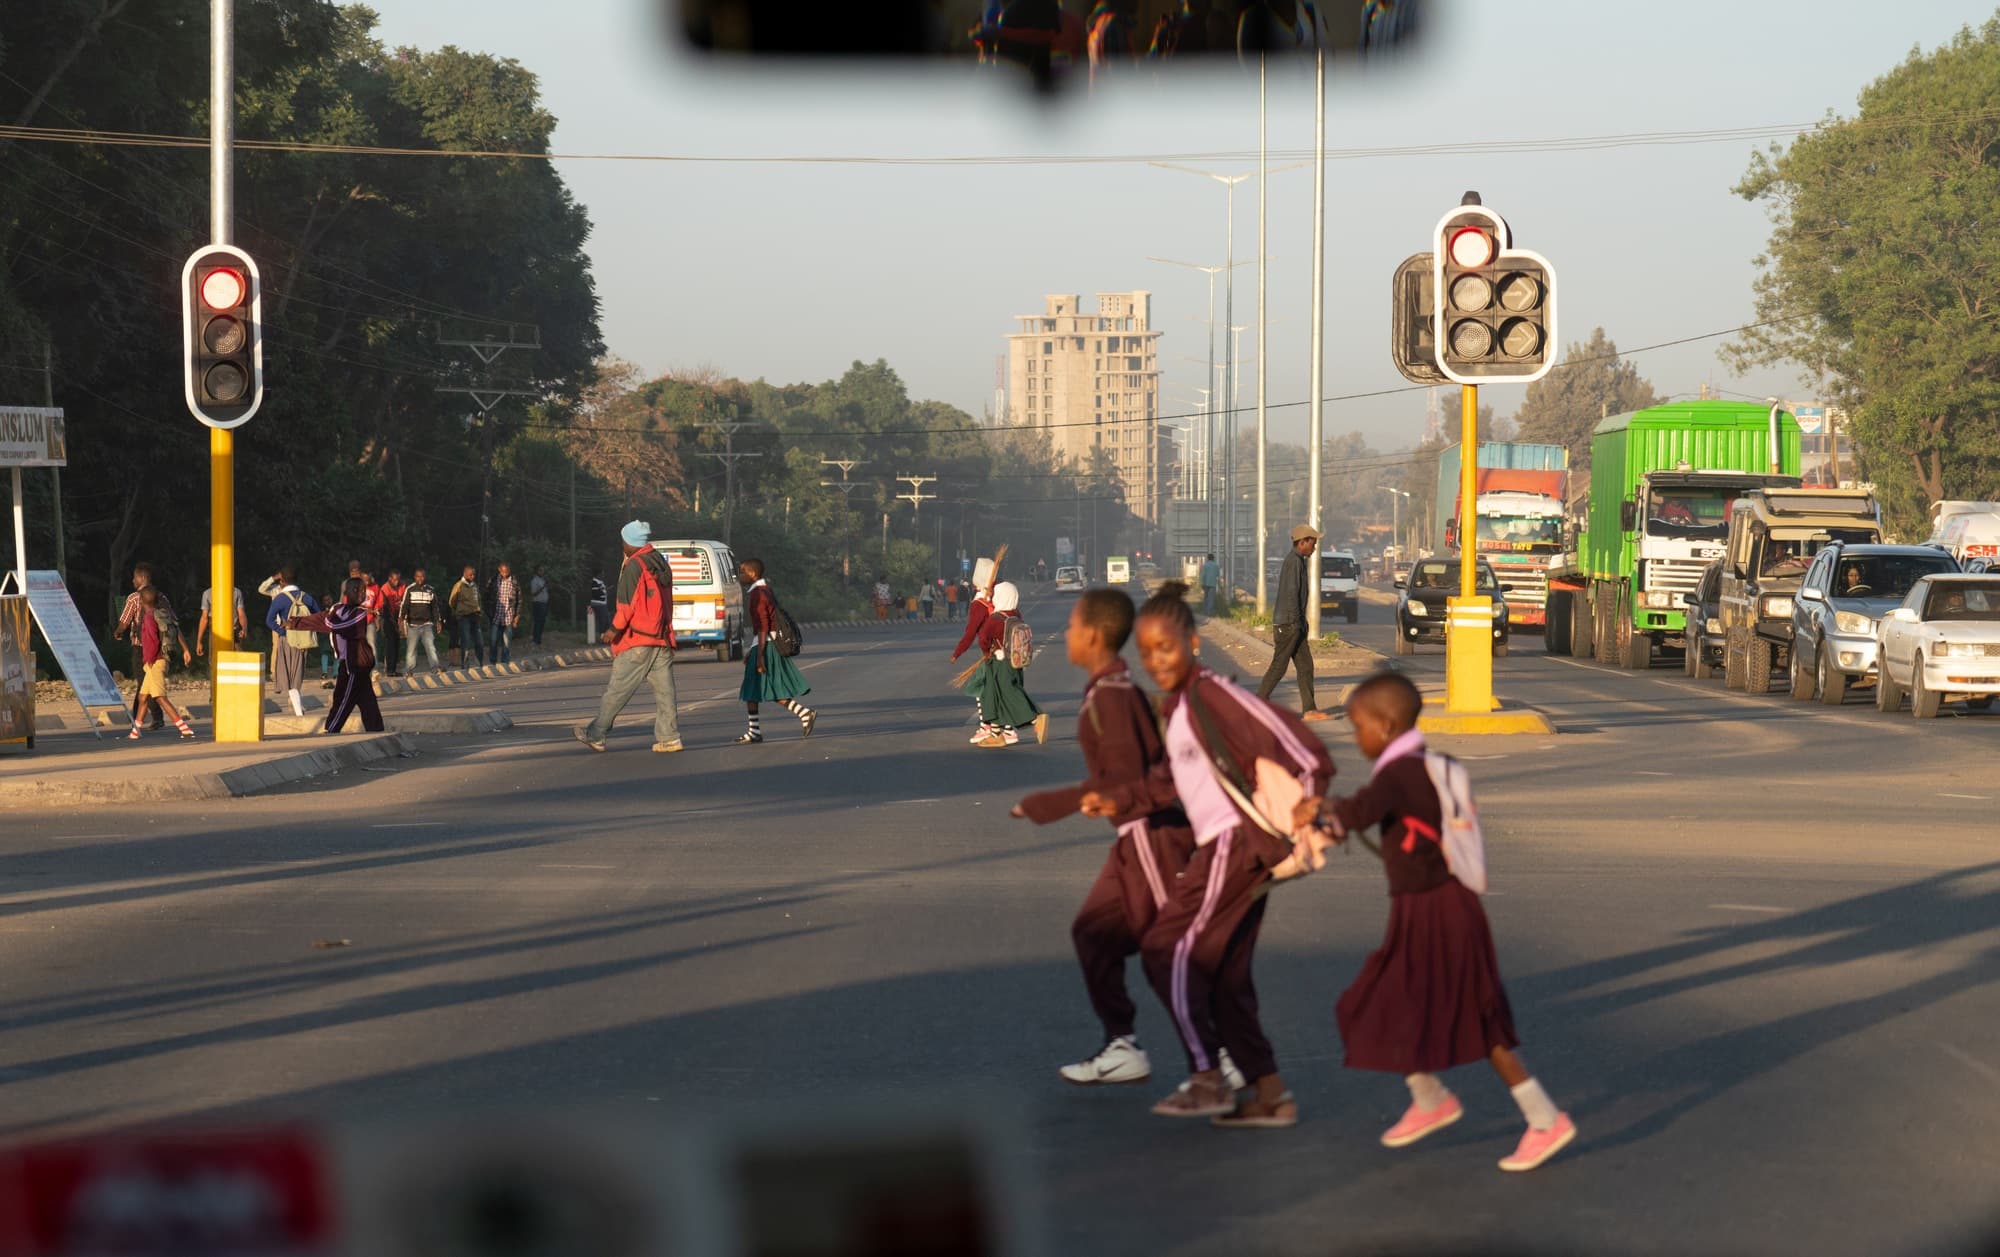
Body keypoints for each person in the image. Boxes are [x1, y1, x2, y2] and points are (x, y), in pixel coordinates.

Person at [1298, 672, 1577, 1172]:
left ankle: (1529, 1117)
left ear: (1384, 726)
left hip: (1435, 910)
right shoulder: (1430, 764)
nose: (1355, 734)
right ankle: (1442, 1099)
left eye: (1358, 724)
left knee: (1382, 1003)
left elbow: (1358, 812)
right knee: (1422, 1006)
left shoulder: (1399, 774)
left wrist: (1319, 810)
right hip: (1439, 905)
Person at [1080, 580, 1332, 1129]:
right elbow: (1169, 784)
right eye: (1145, 652)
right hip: (1224, 849)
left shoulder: (1213, 695)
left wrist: (1311, 799)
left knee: (1167, 948)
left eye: (1165, 647)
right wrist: (1116, 799)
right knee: (1227, 976)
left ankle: (1206, 1078)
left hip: (1233, 845)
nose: (1155, 661)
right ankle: (1271, 1096)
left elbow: (1301, 745)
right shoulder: (1179, 707)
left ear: (1193, 643)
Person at [1013, 588, 1194, 1085]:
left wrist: (1055, 804)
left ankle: (1220, 1057)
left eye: (1071, 627)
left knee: (1169, 955)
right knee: (1093, 933)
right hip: (1132, 842)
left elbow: (1137, 783)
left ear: (1092, 635)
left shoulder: (1112, 698)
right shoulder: (1107, 691)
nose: (1067, 634)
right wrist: (1046, 805)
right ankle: (1123, 1044)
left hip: (1152, 840)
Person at [575, 521, 682, 753]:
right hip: (661, 636)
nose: (621, 545)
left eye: (623, 540)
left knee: (618, 689)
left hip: (639, 638)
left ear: (630, 543)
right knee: (665, 692)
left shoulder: (634, 565)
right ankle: (670, 737)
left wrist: (613, 630)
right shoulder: (659, 561)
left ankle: (596, 734)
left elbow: (627, 606)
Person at [735, 557, 818, 744]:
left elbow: (764, 626)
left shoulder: (759, 593)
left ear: (753, 574)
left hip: (767, 645)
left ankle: (803, 714)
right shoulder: (764, 590)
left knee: (754, 688)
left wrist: (759, 657)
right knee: (761, 689)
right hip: (764, 643)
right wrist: (752, 650)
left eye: (742, 571)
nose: (739, 575)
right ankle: (757, 730)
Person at [289, 577, 383, 734]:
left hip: (354, 664)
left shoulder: (360, 614)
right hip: (349, 664)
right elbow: (319, 619)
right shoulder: (338, 609)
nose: (361, 594)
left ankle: (332, 729)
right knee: (364, 700)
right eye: (356, 590)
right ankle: (375, 730)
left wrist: (327, 619)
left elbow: (336, 625)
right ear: (346, 593)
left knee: (344, 700)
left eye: (362, 591)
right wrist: (294, 623)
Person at [1256, 525, 1329, 721]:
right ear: (1303, 542)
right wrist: (1296, 622)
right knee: (1279, 666)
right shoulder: (1294, 562)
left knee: (1305, 665)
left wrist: (1301, 622)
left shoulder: (1298, 561)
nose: (1315, 547)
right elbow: (1291, 594)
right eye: (1313, 543)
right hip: (1288, 624)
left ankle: (1310, 710)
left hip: (1294, 623)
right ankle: (1258, 702)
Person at [964, 581, 1046, 748]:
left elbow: (983, 639)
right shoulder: (1016, 615)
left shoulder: (996, 618)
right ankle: (996, 734)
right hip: (1015, 662)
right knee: (996, 696)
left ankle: (1035, 718)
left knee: (1005, 694)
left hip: (998, 663)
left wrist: (988, 653)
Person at [129, 587, 195, 741]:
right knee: (143, 697)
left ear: (141, 601)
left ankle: (183, 728)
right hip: (157, 661)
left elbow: (152, 641)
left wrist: (149, 660)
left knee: (159, 697)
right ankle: (136, 730)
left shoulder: (149, 618)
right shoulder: (159, 614)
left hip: (154, 663)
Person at [114, 563, 173, 730]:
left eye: (135, 577)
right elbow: (172, 621)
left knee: (144, 683)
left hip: (141, 647)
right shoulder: (162, 597)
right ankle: (145, 719)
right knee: (147, 683)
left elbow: (125, 621)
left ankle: (145, 719)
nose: (133, 580)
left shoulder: (134, 598)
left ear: (143, 578)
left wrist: (117, 632)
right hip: (161, 648)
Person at [951, 558, 1000, 742]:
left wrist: (957, 652)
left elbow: (970, 633)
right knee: (997, 689)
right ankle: (999, 729)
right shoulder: (997, 598)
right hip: (1005, 649)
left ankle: (987, 727)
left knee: (977, 686)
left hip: (991, 653)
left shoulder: (978, 604)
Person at [258, 568, 317, 718]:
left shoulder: (280, 598)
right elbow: (318, 616)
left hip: (287, 640)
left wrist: (283, 631)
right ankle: (298, 710)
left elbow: (269, 620)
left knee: (290, 678)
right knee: (297, 674)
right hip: (304, 640)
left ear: (282, 581)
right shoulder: (307, 597)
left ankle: (299, 713)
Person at [400, 567, 441, 672]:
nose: (420, 578)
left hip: (427, 623)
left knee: (430, 646)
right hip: (413, 624)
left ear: (425, 577)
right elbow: (404, 606)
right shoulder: (410, 589)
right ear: (414, 577)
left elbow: (435, 608)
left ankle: (435, 667)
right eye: (418, 576)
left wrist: (438, 621)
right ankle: (409, 669)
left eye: (422, 576)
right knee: (411, 649)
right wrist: (400, 620)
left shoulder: (430, 590)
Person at [193, 582, 249, 660]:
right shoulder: (208, 593)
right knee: (216, 660)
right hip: (217, 633)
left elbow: (241, 614)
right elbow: (204, 618)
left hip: (233, 631)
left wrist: (244, 629)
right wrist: (199, 641)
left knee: (236, 659)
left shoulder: (236, 592)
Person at [448, 565, 485, 667]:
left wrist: (479, 611)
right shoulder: (458, 585)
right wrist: (459, 610)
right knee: (466, 641)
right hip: (464, 616)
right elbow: (452, 601)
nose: (472, 577)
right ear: (465, 574)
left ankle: (479, 663)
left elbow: (479, 599)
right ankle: (465, 664)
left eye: (474, 575)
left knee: (479, 642)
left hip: (475, 616)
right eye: (470, 575)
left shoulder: (474, 586)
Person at [489, 561, 522, 665]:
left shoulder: (514, 582)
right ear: (499, 570)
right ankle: (493, 662)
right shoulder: (493, 581)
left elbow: (519, 599)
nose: (505, 574)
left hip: (508, 616)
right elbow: (486, 597)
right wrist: (489, 612)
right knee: (493, 641)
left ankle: (505, 662)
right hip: (496, 615)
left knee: (507, 642)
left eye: (507, 572)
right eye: (503, 572)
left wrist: (517, 615)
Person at [377, 569, 406, 676]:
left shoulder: (402, 586)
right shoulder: (384, 588)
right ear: (390, 579)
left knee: (397, 643)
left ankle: (394, 669)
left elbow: (404, 599)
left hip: (399, 616)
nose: (396, 582)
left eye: (398, 579)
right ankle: (389, 669)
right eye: (394, 580)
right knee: (390, 643)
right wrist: (393, 620)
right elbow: (385, 606)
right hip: (388, 617)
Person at [529, 566, 551, 648]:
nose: (542, 572)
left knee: (542, 622)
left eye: (543, 570)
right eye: (541, 570)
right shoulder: (534, 581)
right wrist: (543, 587)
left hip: (544, 603)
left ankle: (538, 639)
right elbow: (533, 593)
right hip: (538, 603)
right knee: (538, 622)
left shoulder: (542, 580)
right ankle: (536, 640)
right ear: (537, 571)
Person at [588, 570, 610, 638]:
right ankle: (602, 637)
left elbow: (603, 591)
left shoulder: (601, 582)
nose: (603, 575)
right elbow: (595, 594)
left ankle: (604, 637)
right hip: (598, 603)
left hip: (602, 603)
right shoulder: (594, 582)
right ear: (598, 574)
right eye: (602, 573)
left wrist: (606, 591)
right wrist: (603, 593)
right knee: (603, 620)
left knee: (606, 620)